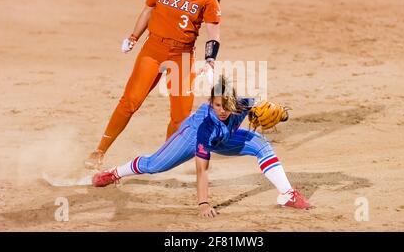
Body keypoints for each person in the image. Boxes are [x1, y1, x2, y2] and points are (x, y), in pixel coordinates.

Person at [92, 76, 312, 218]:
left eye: (226, 105)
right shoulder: (204, 128)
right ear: (210, 103)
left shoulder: (244, 104)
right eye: (217, 105)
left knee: (262, 145)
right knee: (155, 165)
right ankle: (114, 173)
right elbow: (202, 170)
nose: (222, 110)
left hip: (225, 138)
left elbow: (272, 110)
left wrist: (282, 114)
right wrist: (204, 203)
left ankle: (287, 194)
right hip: (192, 137)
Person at [85, 0, 222, 169]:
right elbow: (148, 11)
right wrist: (133, 36)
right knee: (129, 102)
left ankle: (164, 159)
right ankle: (99, 152)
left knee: (180, 116)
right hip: (153, 50)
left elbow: (213, 34)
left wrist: (210, 61)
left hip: (182, 56)